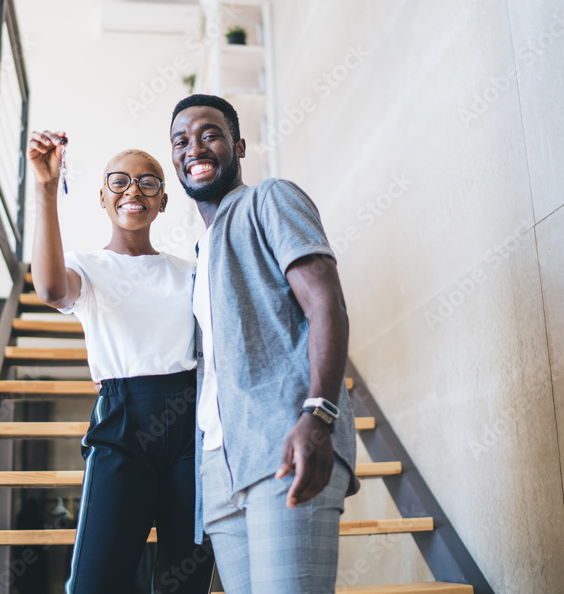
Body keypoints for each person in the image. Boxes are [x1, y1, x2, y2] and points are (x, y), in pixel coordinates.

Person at [169, 94, 360, 593]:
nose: (195, 147)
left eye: (209, 133)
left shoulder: (269, 199)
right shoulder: (199, 252)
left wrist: (318, 416)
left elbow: (326, 305)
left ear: (238, 145)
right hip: (220, 468)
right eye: (180, 140)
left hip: (285, 441)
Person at [27, 131, 213, 594]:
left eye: (148, 182)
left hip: (191, 420)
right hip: (122, 418)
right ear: (104, 197)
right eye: (121, 181)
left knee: (184, 577)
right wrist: (47, 191)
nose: (134, 190)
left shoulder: (188, 270)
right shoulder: (87, 268)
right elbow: (50, 290)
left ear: (164, 201)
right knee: (96, 579)